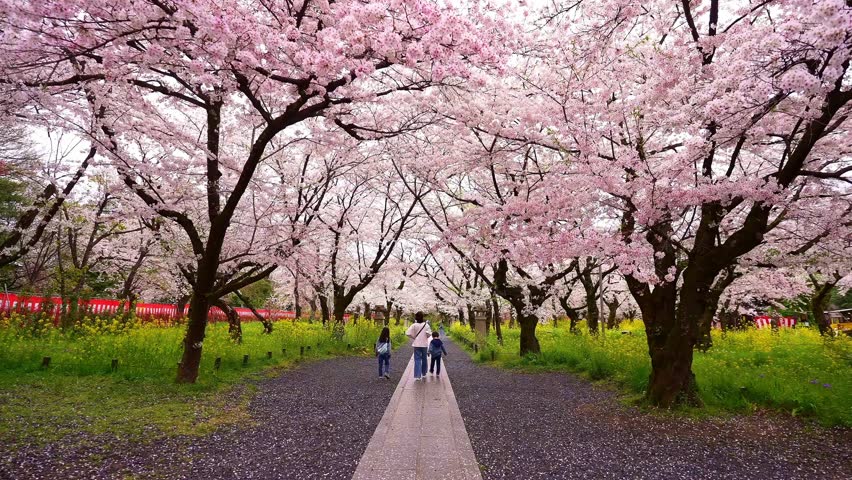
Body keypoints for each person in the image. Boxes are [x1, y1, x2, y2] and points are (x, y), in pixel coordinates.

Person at [405, 311, 431, 381]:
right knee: (424, 359)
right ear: (423, 317)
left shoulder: (414, 325)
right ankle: (424, 373)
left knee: (417, 359)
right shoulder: (426, 325)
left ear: (416, 317)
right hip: (424, 344)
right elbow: (429, 334)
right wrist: (425, 337)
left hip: (416, 344)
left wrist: (414, 337)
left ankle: (417, 375)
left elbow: (407, 333)